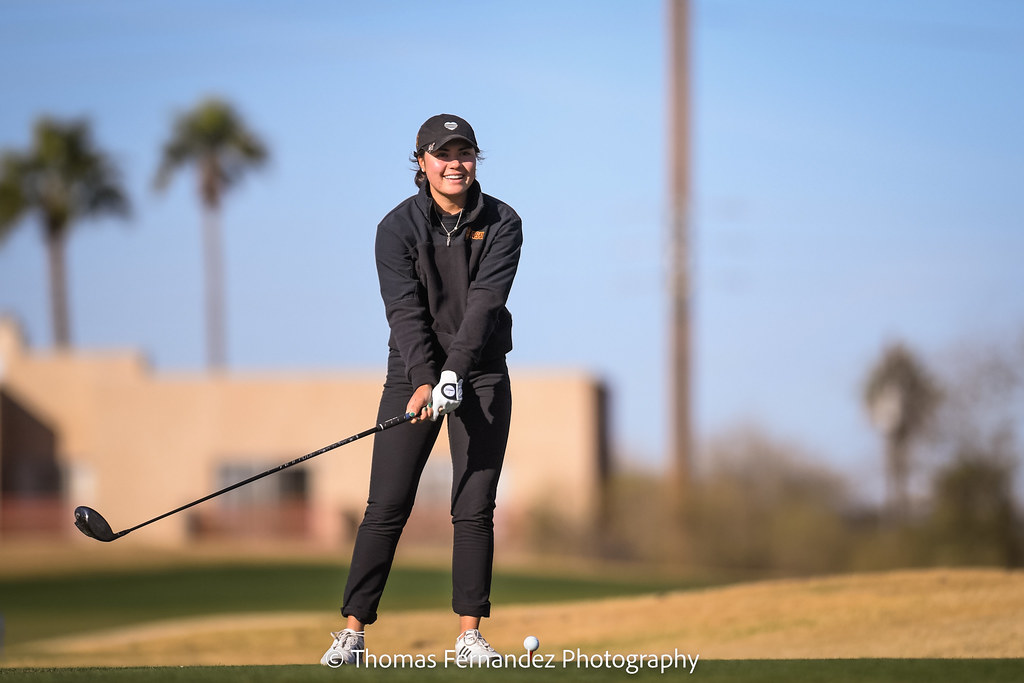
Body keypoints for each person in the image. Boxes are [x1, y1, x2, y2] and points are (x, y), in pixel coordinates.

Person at [321, 114, 523, 667]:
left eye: (465, 153)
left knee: (473, 506)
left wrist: (456, 371)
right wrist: (425, 380)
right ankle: (354, 632)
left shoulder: (503, 221)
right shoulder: (396, 227)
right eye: (443, 154)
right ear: (421, 163)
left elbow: (485, 303)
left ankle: (469, 636)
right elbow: (404, 312)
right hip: (412, 373)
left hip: (481, 374)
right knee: (386, 504)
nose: (455, 163)